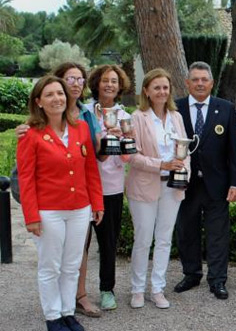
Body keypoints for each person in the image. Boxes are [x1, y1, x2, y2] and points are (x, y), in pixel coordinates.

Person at [14, 62, 104, 317]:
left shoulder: (81, 128)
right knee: (50, 266)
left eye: (60, 93)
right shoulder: (30, 135)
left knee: (72, 265)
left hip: (79, 209)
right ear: (39, 102)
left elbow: (90, 171)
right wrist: (31, 216)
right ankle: (53, 316)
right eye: (50, 94)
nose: (57, 98)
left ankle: (67, 312)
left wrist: (97, 204)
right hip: (48, 211)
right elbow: (26, 179)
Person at [173, 61, 236, 300]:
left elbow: (234, 150)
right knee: (186, 232)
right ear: (187, 83)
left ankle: (217, 280)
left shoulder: (226, 108)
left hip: (217, 184)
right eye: (195, 79)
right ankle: (191, 274)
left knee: (218, 235)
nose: (200, 83)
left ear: (212, 83)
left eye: (204, 79)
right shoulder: (176, 108)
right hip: (186, 184)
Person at [125, 68, 189, 309]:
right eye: (157, 88)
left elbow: (185, 152)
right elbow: (133, 156)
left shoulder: (176, 117)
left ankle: (157, 288)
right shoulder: (137, 118)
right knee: (142, 239)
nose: (162, 92)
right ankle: (137, 289)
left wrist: (184, 173)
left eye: (165, 87)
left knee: (164, 239)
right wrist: (161, 164)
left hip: (172, 187)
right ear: (147, 92)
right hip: (144, 187)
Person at [84, 64, 132, 311]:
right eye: (105, 80)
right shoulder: (84, 112)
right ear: (96, 83)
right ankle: (76, 292)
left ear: (120, 86)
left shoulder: (125, 117)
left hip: (111, 188)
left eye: (114, 81)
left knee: (108, 243)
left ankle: (107, 289)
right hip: (83, 188)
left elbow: (126, 159)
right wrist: (104, 139)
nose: (109, 85)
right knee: (79, 245)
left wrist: (122, 139)